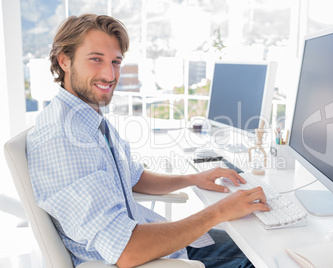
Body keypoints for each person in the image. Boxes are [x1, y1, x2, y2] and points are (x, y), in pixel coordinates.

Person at [26, 14, 269, 268]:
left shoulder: (86, 117)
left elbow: (132, 177)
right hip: (146, 257)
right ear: (64, 60)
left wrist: (191, 179)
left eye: (116, 62)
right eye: (96, 59)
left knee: (250, 238)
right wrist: (219, 211)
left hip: (156, 243)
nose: (110, 75)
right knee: (263, 255)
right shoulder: (64, 139)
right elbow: (126, 251)